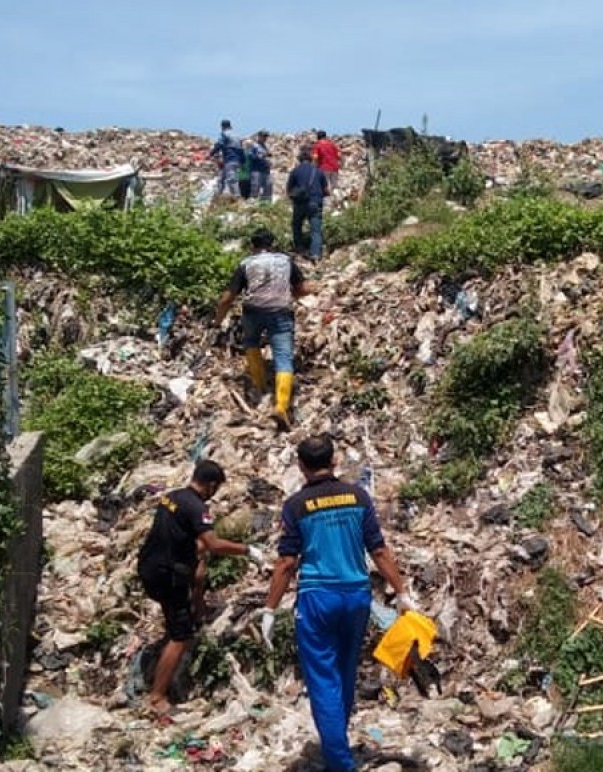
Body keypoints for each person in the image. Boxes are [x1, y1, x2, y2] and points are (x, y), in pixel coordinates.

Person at [259, 433, 416, 772]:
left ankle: (340, 763)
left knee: (322, 680)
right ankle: (337, 745)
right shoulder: (357, 496)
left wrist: (269, 609)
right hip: (357, 596)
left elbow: (286, 563)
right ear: (334, 461)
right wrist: (401, 592)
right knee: (344, 673)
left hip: (318, 598)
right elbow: (378, 550)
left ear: (301, 466)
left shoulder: (296, 505)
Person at [136, 459, 267, 716]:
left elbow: (189, 541)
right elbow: (213, 543)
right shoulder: (197, 506)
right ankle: (157, 697)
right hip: (168, 575)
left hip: (149, 566)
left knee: (198, 567)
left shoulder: (172, 497)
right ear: (211, 485)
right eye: (215, 489)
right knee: (181, 637)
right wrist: (248, 550)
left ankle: (197, 612)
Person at [213, 228, 317, 430]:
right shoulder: (286, 261)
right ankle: (281, 406)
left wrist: (218, 320)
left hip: (253, 312)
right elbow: (302, 289)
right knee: (283, 358)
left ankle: (260, 387)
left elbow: (228, 297)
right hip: (280, 312)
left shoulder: (246, 264)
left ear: (253, 246)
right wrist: (294, 294)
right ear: (272, 244)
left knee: (250, 343)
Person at [286, 147, 330, 260]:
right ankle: (315, 254)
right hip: (315, 203)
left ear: (299, 159)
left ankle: (299, 248)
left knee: (296, 226)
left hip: (299, 204)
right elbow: (326, 190)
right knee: (316, 230)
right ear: (311, 159)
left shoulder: (295, 171)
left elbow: (289, 190)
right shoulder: (318, 171)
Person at [209, 119, 247, 197]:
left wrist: (211, 153)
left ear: (222, 127)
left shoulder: (225, 134)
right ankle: (218, 194)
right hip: (236, 161)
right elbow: (241, 150)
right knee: (222, 179)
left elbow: (219, 144)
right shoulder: (237, 136)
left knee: (231, 178)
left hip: (230, 160)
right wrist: (243, 162)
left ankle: (237, 196)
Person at [247, 130, 273, 201]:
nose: (265, 138)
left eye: (266, 136)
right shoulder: (254, 145)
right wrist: (260, 156)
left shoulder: (265, 146)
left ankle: (266, 202)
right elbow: (250, 156)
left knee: (268, 186)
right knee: (255, 186)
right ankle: (253, 202)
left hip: (265, 170)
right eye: (263, 136)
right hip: (256, 170)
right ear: (259, 136)